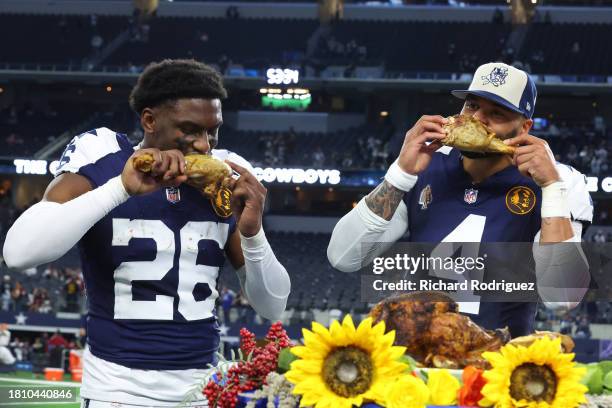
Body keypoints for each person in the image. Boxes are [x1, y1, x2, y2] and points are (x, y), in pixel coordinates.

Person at [3, 59, 291, 406]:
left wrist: (253, 233)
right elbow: (18, 253)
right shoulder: (103, 155)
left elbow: (273, 306)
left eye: (212, 130)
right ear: (150, 120)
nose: (204, 145)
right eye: (190, 129)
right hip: (117, 392)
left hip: (202, 392)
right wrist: (119, 189)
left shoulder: (228, 173)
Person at [328, 62, 592, 338]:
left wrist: (551, 189)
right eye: (471, 106)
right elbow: (344, 256)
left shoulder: (560, 181)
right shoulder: (425, 164)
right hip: (415, 358)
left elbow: (563, 297)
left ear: (525, 128)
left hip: (498, 367)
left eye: (496, 113)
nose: (477, 119)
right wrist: (399, 174)